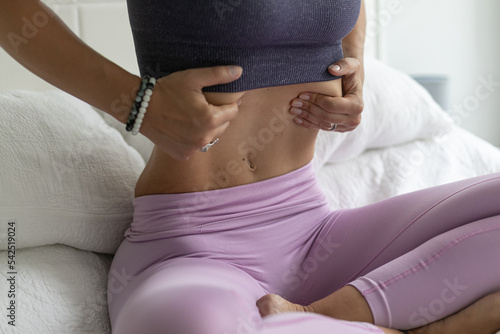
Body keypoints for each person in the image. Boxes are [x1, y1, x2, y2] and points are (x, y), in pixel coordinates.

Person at [1, 1, 499, 334]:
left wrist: (353, 63)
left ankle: (333, 317)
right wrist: (136, 102)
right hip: (192, 254)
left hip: (314, 234)